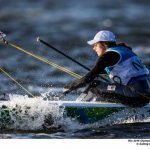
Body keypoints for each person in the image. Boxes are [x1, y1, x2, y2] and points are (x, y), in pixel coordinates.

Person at [63, 30, 150, 107]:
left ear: (104, 44)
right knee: (103, 91)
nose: (94, 48)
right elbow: (120, 71)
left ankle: (76, 107)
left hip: (134, 96)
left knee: (94, 85)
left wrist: (70, 86)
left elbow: (88, 79)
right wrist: (94, 74)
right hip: (145, 97)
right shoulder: (125, 50)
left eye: (96, 45)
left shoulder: (108, 55)